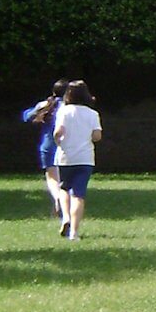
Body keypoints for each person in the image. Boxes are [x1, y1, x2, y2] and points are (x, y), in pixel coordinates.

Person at [52, 80, 102, 240]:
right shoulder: (92, 114)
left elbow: (58, 132)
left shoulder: (64, 111)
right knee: (79, 195)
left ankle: (65, 217)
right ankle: (74, 232)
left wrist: (58, 142)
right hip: (85, 158)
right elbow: (97, 136)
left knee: (64, 189)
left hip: (66, 157)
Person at [21, 79, 70, 223]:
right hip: (67, 145)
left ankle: (58, 198)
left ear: (54, 92)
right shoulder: (71, 107)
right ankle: (62, 201)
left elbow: (27, 116)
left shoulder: (46, 105)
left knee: (52, 177)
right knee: (65, 177)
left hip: (48, 145)